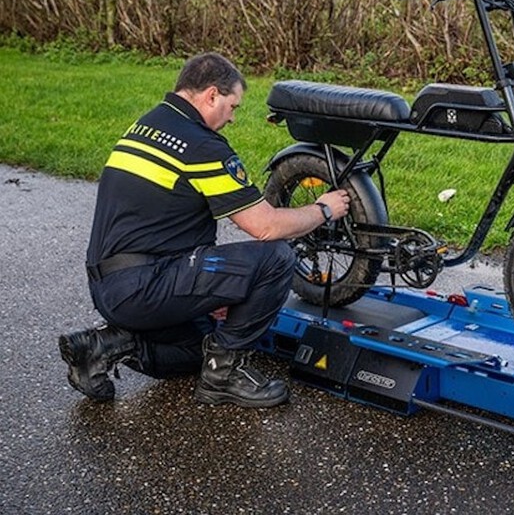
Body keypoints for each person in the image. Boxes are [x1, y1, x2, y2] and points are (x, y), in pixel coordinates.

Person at [58, 52, 350, 408]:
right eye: (232, 106)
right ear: (211, 94)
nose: (231, 118)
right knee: (276, 256)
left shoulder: (148, 124)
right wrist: (324, 209)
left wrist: (210, 293)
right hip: (145, 285)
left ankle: (104, 346)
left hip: (110, 287)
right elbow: (266, 226)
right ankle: (223, 376)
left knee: (201, 345)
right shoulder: (201, 145)